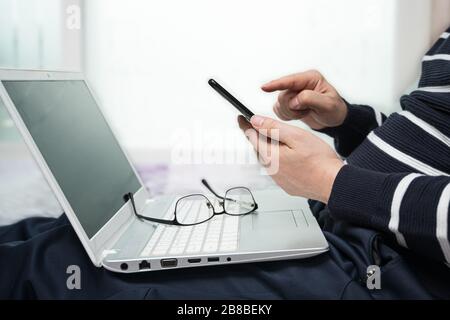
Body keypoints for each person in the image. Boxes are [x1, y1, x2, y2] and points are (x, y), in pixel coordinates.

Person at [0, 28, 449, 299]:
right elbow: (430, 140)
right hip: (348, 220)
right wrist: (348, 121)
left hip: (386, 268)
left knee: (51, 268)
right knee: (59, 231)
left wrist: (332, 181)